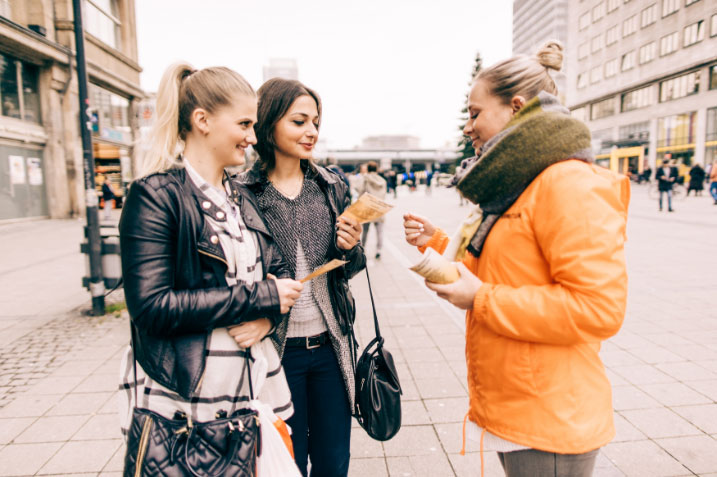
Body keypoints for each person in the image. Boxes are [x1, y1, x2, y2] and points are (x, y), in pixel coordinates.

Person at [403, 40, 629, 477]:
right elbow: (506, 265)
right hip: (521, 405)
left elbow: (599, 309)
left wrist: (483, 298)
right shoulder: (518, 181)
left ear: (516, 107)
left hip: (551, 415)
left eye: (474, 113)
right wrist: (439, 244)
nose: (468, 127)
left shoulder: (567, 183)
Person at [117, 63, 305, 470]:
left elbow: (275, 273)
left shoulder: (239, 196)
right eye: (243, 124)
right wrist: (261, 298)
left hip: (249, 392)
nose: (252, 138)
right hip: (184, 404)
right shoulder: (155, 195)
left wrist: (268, 318)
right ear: (202, 120)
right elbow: (151, 307)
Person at [240, 77, 366, 477]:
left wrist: (350, 248)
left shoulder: (330, 186)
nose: (311, 131)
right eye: (299, 121)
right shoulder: (244, 192)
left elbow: (351, 269)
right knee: (285, 461)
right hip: (275, 350)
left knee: (333, 462)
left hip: (331, 346)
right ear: (269, 122)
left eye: (315, 121)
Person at [358, 161, 387, 259]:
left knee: (365, 231)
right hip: (379, 208)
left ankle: (363, 248)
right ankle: (379, 250)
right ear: (376, 169)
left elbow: (361, 193)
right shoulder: (382, 181)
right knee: (379, 231)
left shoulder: (365, 179)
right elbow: (384, 195)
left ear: (368, 169)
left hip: (368, 209)